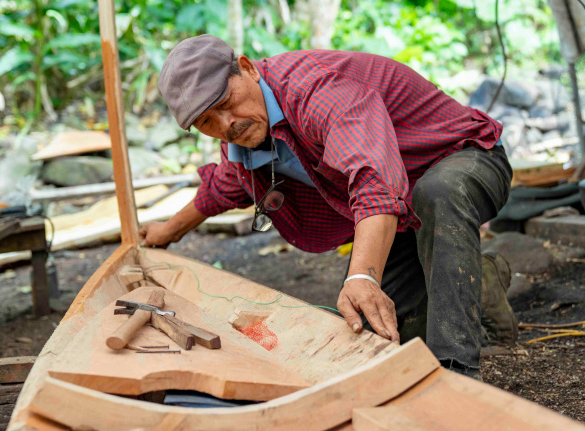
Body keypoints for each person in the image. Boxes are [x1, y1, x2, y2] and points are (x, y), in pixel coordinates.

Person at [140, 34, 515, 377]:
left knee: (435, 194)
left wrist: (362, 276)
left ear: (248, 68)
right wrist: (166, 232)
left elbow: (374, 180)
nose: (227, 124)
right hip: (402, 217)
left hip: (467, 160)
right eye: (208, 121)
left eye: (226, 103)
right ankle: (476, 279)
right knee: (372, 329)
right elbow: (225, 187)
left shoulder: (316, 89)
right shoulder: (243, 140)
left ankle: (457, 372)